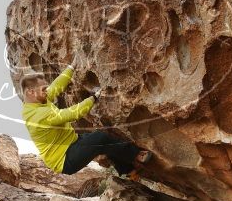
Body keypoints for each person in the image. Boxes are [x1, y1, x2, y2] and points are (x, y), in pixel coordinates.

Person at [20, 59, 152, 177]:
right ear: (31, 92)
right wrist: (94, 98)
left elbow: (56, 87)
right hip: (64, 159)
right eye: (43, 89)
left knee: (104, 140)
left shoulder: (39, 100)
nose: (47, 90)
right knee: (100, 138)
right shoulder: (36, 117)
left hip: (72, 142)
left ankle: (128, 171)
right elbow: (72, 114)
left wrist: (72, 67)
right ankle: (137, 155)